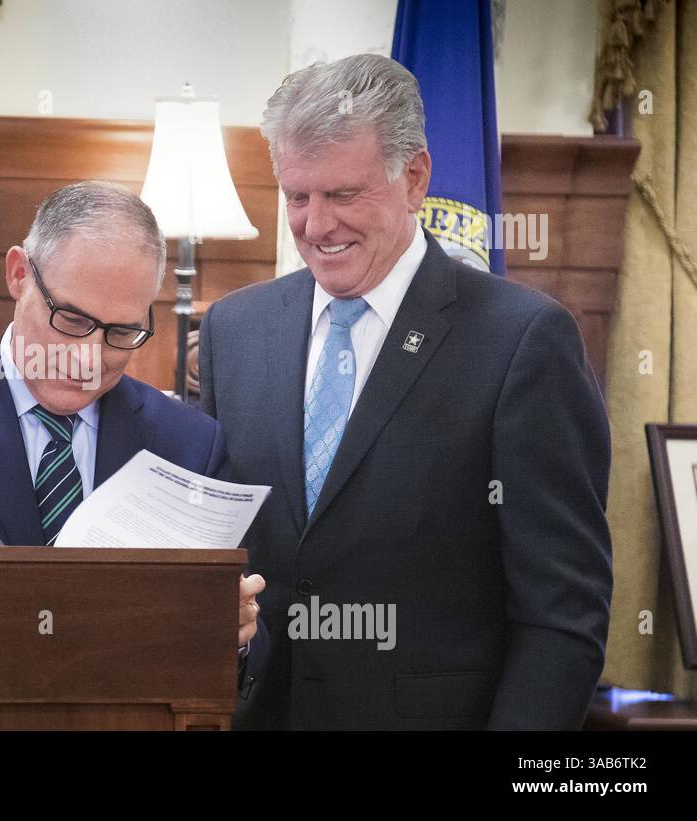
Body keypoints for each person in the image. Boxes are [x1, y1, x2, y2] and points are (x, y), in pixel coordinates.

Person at [198, 54, 612, 729]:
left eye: (342, 195)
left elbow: (562, 615)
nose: (315, 224)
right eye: (297, 196)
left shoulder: (523, 342)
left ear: (414, 177)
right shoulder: (234, 330)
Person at [0, 181, 268, 690]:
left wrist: (238, 634)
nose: (90, 355)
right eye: (71, 318)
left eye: (120, 333)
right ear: (19, 275)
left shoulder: (189, 444)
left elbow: (237, 651)